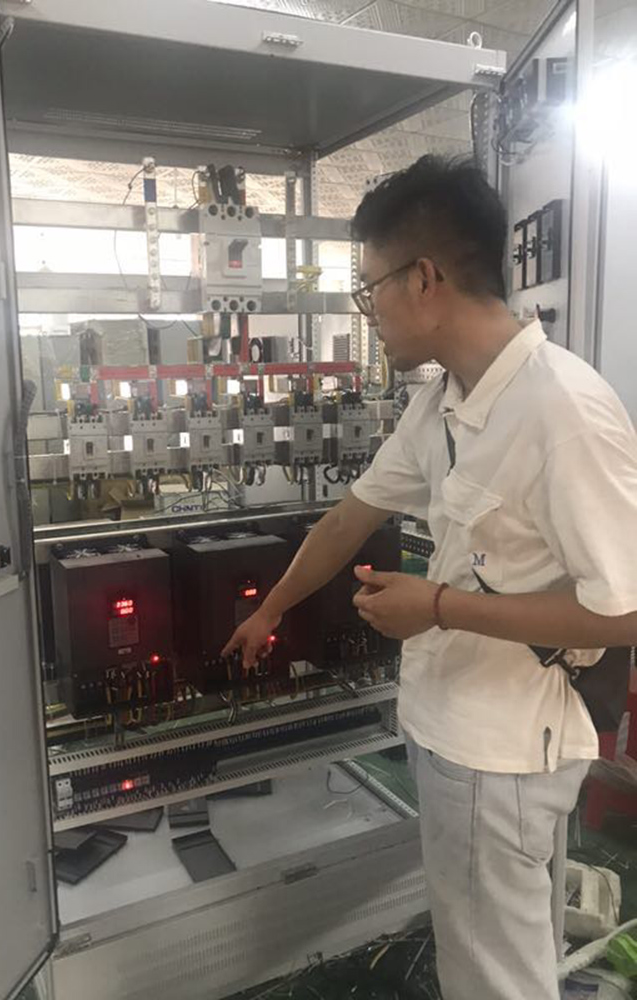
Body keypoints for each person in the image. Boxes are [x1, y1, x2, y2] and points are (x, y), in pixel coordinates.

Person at [222, 155, 637, 1000]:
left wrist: (438, 606)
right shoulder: (442, 401)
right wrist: (272, 610)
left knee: (493, 979)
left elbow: (624, 613)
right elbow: (350, 517)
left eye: (369, 287)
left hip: (501, 752)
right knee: (495, 957)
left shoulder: (562, 410)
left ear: (423, 279)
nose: (369, 313)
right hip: (450, 729)